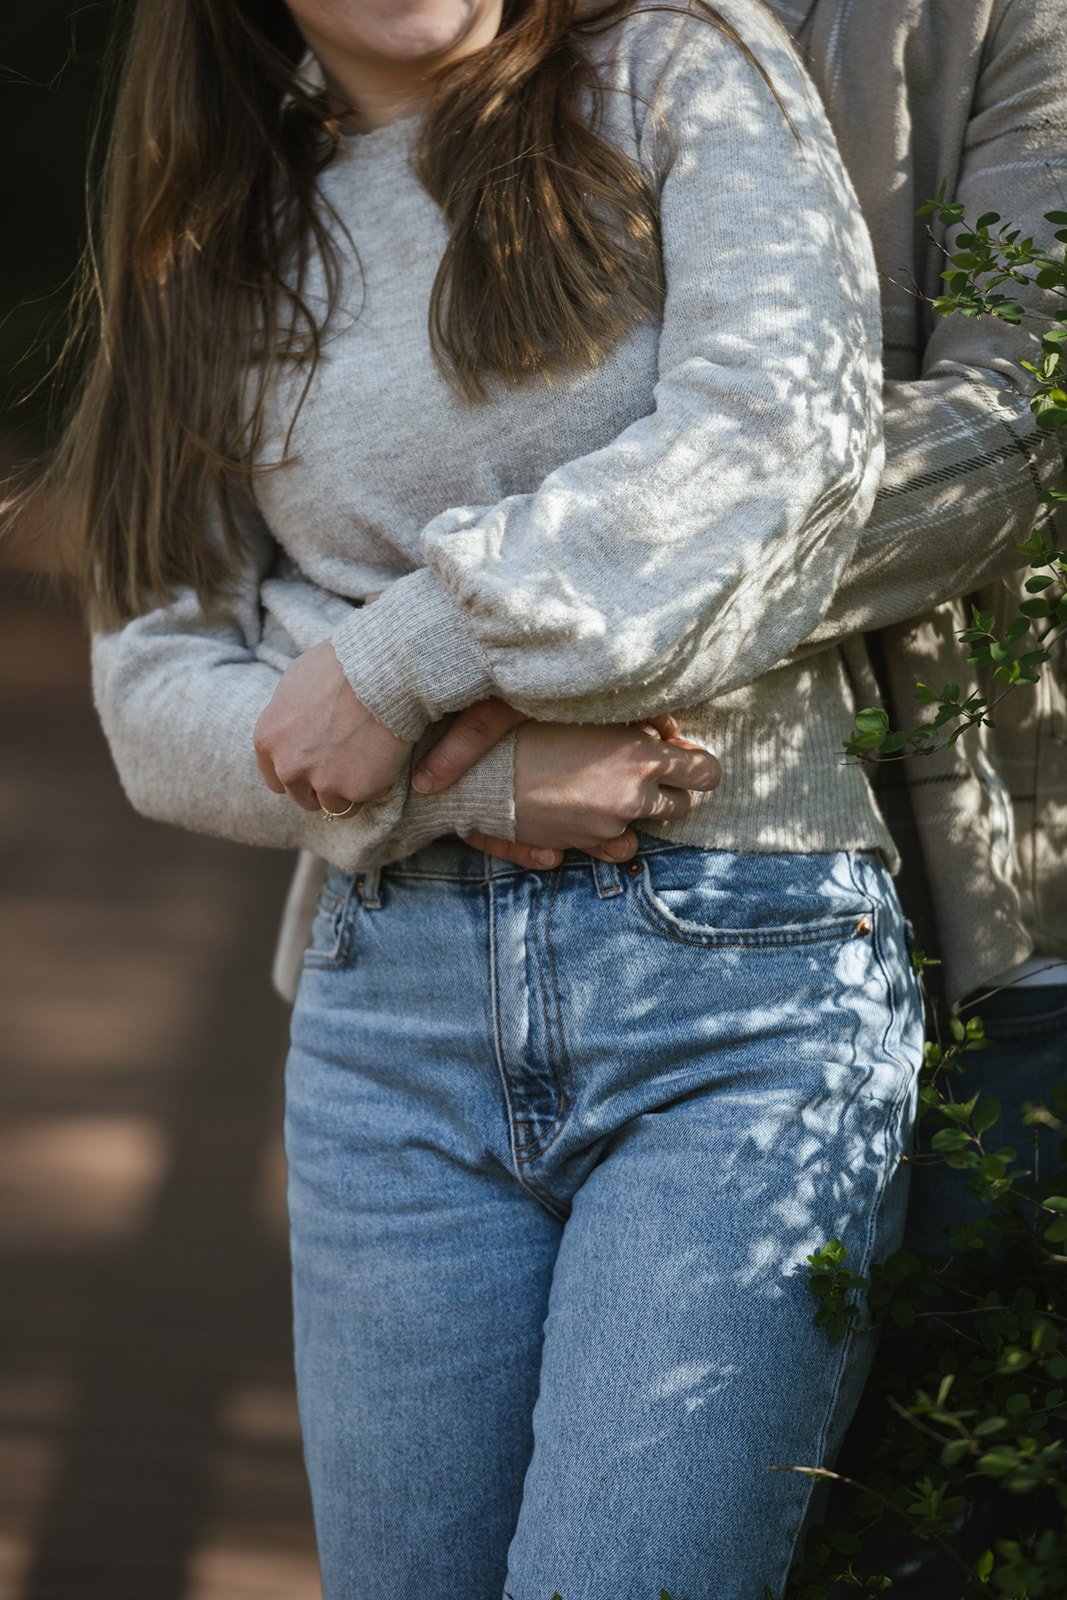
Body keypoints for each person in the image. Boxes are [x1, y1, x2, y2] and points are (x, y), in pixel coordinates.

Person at [77, 1, 924, 1595]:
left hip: (733, 983)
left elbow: (777, 446)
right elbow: (152, 695)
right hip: (385, 1027)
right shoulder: (215, 225)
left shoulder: (682, 64)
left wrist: (392, 658)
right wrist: (480, 787)